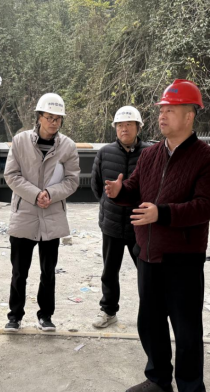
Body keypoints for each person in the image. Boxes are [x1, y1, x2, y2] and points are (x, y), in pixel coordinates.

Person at [105, 79, 210, 392]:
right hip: (148, 253)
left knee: (186, 331)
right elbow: (135, 190)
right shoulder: (151, 154)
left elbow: (205, 206)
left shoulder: (208, 159)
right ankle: (158, 378)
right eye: (161, 109)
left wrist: (162, 213)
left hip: (183, 258)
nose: (163, 115)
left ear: (190, 115)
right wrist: (119, 191)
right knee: (150, 322)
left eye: (171, 110)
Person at [3, 93, 80, 332]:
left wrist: (50, 193)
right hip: (25, 215)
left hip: (52, 216)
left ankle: (45, 316)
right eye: (49, 117)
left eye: (58, 119)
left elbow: (72, 180)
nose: (53, 123)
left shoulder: (68, 146)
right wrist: (36, 194)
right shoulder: (20, 141)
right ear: (39, 117)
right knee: (19, 271)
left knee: (48, 272)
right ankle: (15, 316)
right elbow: (11, 175)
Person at [90, 106, 152, 328]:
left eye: (128, 124)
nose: (124, 129)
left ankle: (151, 312)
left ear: (138, 127)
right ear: (115, 128)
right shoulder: (105, 153)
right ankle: (108, 311)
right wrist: (109, 205)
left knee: (147, 271)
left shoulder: (150, 153)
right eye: (120, 125)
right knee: (109, 272)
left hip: (140, 224)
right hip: (112, 225)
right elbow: (96, 186)